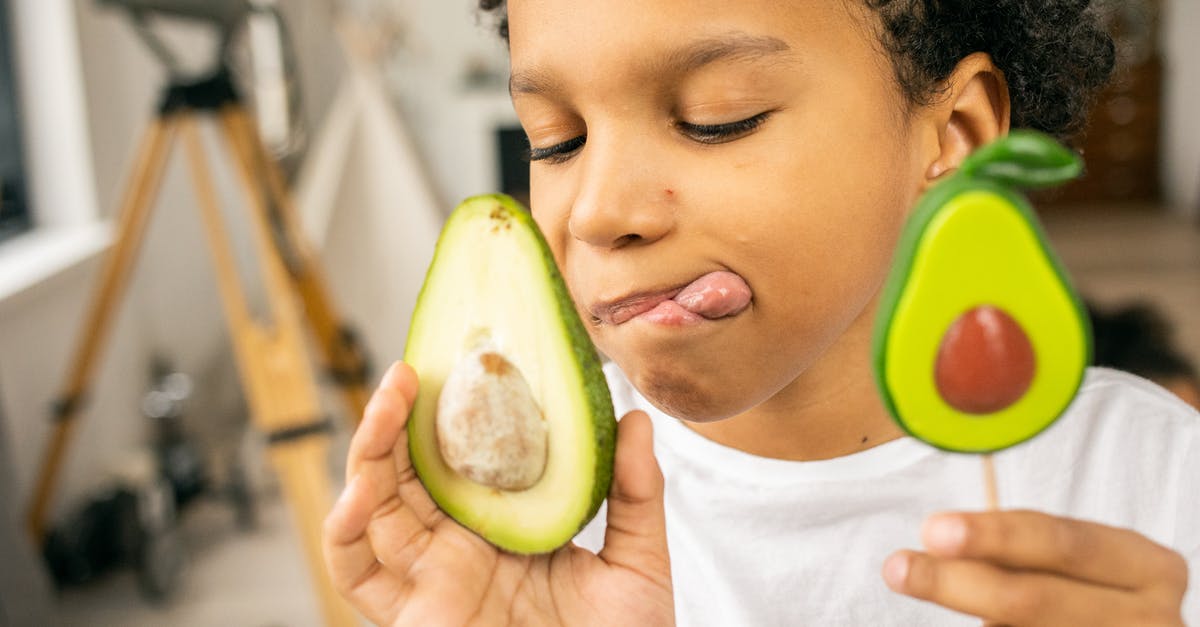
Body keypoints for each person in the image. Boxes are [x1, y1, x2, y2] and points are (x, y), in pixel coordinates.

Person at [322, 1, 1199, 624]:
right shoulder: (528, 529)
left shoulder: (1155, 483)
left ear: (955, 133)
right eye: (556, 139)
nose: (595, 211)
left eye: (718, 119)